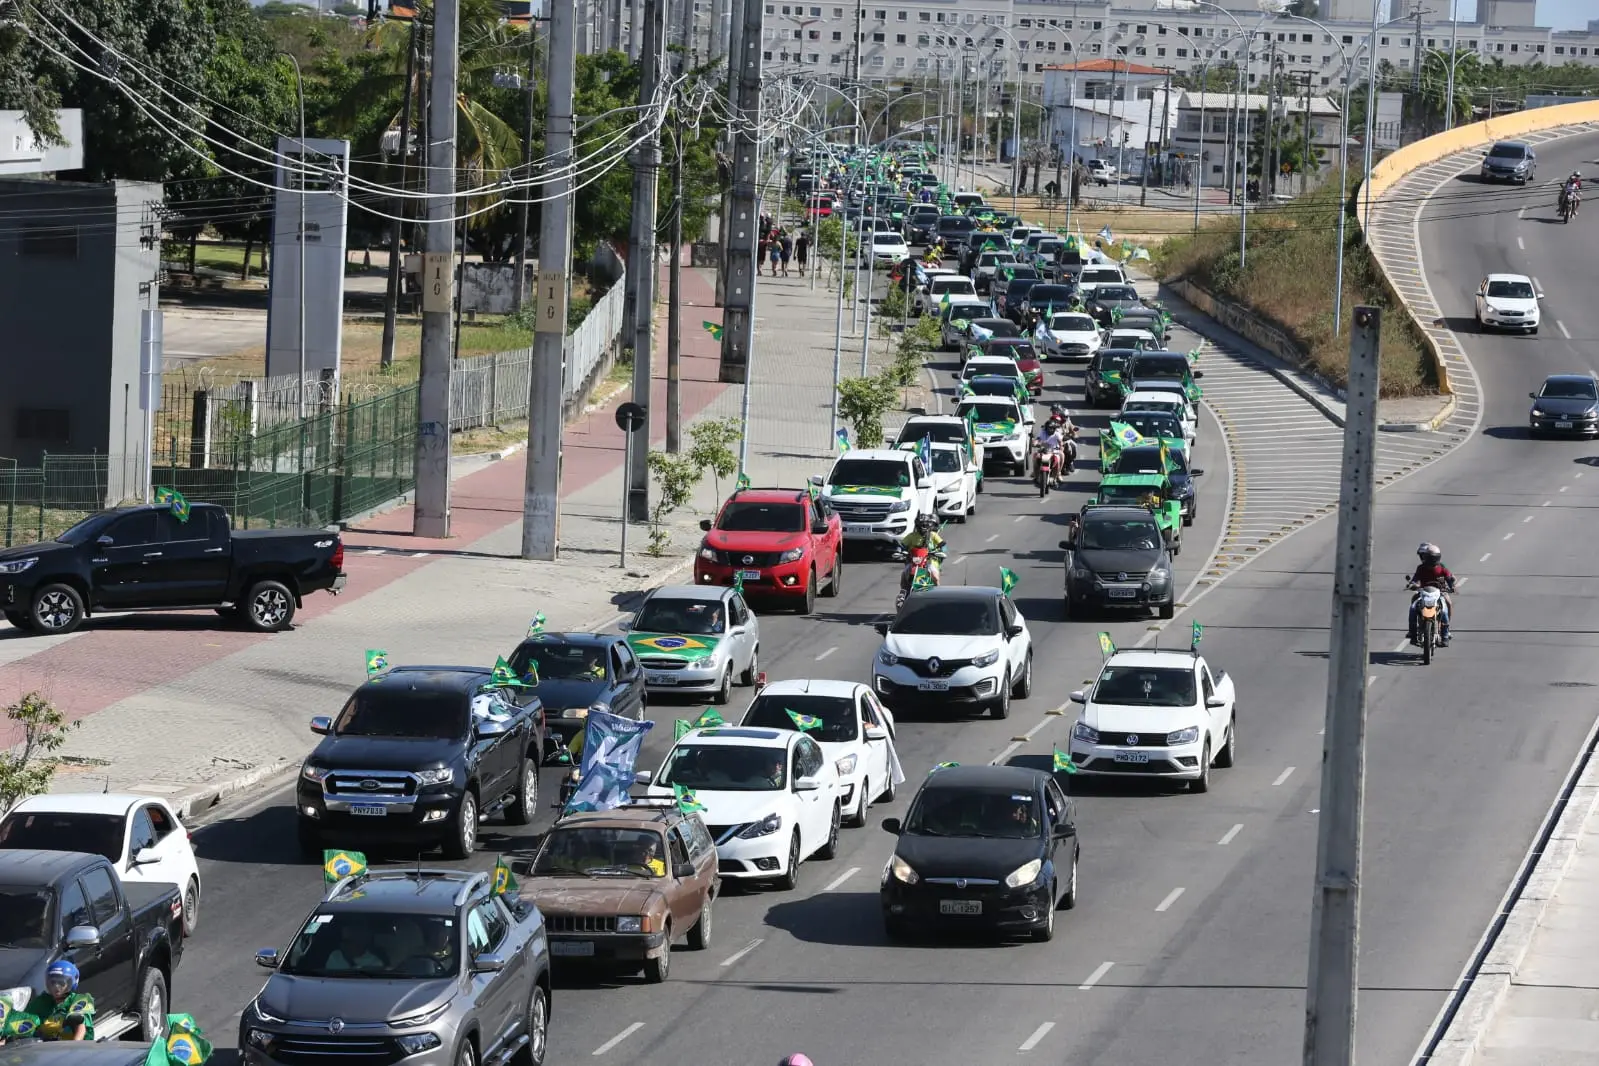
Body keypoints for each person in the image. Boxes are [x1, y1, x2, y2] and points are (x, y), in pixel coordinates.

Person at [28, 960, 92, 1041]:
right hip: (44, 1046)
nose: (56, 986)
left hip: (75, 1045)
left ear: (71, 983)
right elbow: (23, 1020)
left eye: (61, 983)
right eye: (53, 982)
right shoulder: (41, 1001)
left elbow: (80, 1028)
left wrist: (73, 1046)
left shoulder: (79, 1000)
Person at [1407, 542, 1457, 646]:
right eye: (1428, 557)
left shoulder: (1442, 568)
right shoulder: (1421, 568)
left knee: (1445, 608)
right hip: (1424, 592)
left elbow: (1449, 578)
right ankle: (1412, 633)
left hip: (1440, 592)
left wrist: (1452, 586)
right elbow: (1415, 579)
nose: (1430, 560)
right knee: (1413, 608)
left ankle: (1445, 634)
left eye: (1432, 557)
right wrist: (1412, 584)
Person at [898, 513, 946, 587]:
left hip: (929, 561)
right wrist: (901, 552)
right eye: (920, 525)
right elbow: (902, 545)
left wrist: (938, 552)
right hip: (913, 561)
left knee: (935, 577)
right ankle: (903, 591)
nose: (922, 527)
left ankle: (938, 591)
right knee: (904, 574)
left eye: (924, 525)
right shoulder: (911, 536)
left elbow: (942, 544)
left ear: (928, 525)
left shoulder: (933, 535)